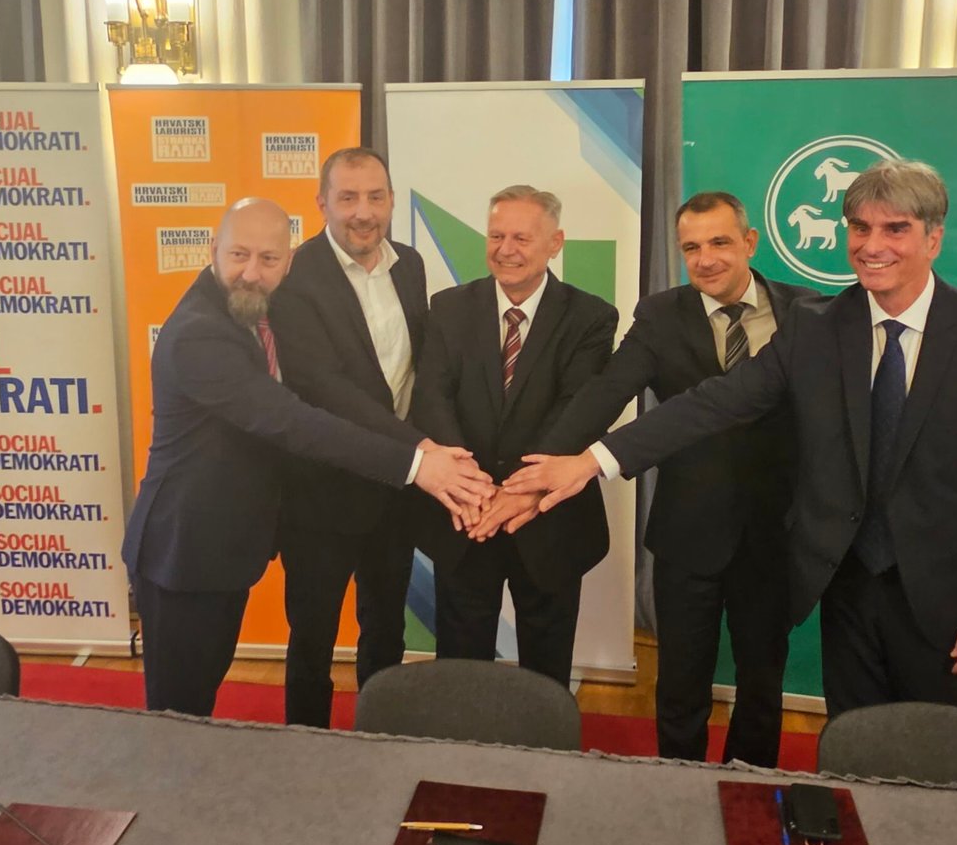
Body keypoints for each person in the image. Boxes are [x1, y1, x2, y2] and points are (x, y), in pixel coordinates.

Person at [506, 160, 957, 717]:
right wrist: (589, 462)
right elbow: (713, 402)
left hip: (948, 601)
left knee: (943, 750)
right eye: (860, 228)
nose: (872, 246)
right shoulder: (818, 326)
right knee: (853, 739)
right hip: (848, 587)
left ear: (933, 239)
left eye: (896, 229)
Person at [121, 198, 490, 717]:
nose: (252, 272)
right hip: (184, 550)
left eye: (269, 258)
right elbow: (292, 422)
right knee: (177, 713)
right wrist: (416, 463)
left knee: (198, 700)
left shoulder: (248, 311)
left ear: (288, 262)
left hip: (223, 548)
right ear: (213, 249)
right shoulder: (201, 332)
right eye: (239, 255)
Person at [533, 192, 811, 764]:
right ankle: (676, 785)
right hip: (687, 533)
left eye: (719, 242)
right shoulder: (660, 315)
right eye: (691, 247)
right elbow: (607, 393)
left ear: (750, 243)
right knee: (681, 682)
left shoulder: (807, 312)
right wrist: (546, 465)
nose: (705, 259)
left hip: (775, 535)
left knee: (762, 681)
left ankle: (750, 787)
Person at [410, 185, 618, 686]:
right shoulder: (448, 307)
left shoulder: (591, 317)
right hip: (467, 515)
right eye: (496, 236)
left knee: (546, 674)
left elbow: (577, 413)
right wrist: (473, 488)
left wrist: (516, 493)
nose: (506, 249)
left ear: (555, 243)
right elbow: (432, 397)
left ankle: (542, 741)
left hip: (547, 519)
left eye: (522, 238)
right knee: (461, 675)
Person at [268, 149, 436, 727]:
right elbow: (326, 387)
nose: (363, 212)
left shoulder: (410, 265)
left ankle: (378, 738)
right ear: (322, 204)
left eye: (375, 196)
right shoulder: (294, 277)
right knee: (312, 639)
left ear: (391, 200)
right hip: (321, 496)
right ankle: (306, 747)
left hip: (395, 493)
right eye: (348, 198)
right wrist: (418, 449)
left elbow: (416, 372)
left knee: (386, 630)